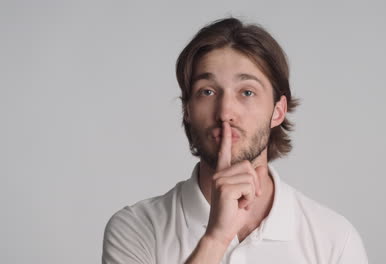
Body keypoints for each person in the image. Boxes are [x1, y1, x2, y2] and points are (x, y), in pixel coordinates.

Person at [102, 17, 369, 264]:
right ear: (187, 109)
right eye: (207, 91)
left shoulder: (334, 239)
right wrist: (215, 239)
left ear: (278, 111)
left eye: (247, 92)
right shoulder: (135, 228)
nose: (225, 112)